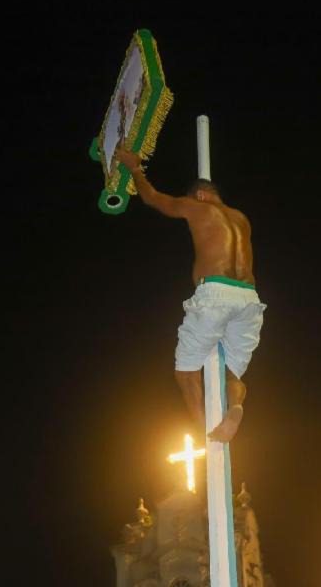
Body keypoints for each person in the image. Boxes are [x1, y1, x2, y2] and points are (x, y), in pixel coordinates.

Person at [116, 148, 266, 442]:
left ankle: (206, 432)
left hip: (215, 294)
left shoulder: (197, 207)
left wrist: (135, 169)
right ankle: (235, 407)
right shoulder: (241, 218)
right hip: (249, 299)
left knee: (185, 372)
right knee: (232, 376)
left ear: (199, 195)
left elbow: (154, 198)